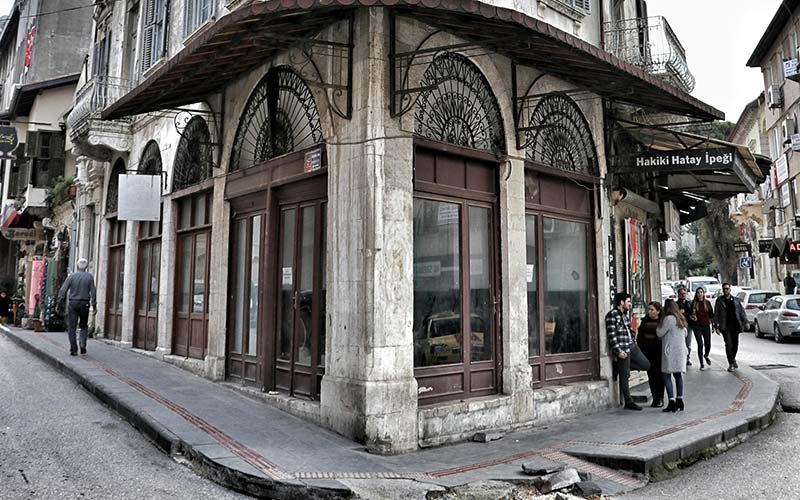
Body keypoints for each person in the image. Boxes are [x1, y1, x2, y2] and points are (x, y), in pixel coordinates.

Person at [606, 292, 650, 411]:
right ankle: (628, 401)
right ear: (621, 302)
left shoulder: (625, 315)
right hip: (623, 349)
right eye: (628, 301)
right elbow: (612, 336)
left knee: (646, 364)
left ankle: (620, 367)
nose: (630, 304)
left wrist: (633, 339)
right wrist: (618, 351)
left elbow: (629, 329)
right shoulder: (612, 315)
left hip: (632, 346)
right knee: (625, 376)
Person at [58, 258, 97, 356]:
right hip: (85, 303)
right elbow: (93, 292)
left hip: (73, 303)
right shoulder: (89, 277)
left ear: (77, 266)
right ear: (86, 267)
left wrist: (59, 303)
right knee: (83, 325)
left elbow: (63, 290)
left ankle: (73, 348)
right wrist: (94, 305)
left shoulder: (71, 276)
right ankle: (82, 342)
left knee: (72, 327)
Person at [657, 300, 689, 412]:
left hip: (670, 352)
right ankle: (680, 400)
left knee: (666, 376)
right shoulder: (681, 318)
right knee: (678, 375)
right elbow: (685, 333)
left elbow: (659, 333)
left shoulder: (668, 319)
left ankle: (671, 402)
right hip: (680, 352)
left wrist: (658, 326)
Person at [713, 282, 748, 372]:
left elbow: (741, 312)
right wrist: (716, 326)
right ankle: (731, 363)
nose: (725, 290)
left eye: (727, 289)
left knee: (735, 345)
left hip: (735, 325)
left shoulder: (736, 300)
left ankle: (733, 359)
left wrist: (746, 322)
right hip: (725, 326)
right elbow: (716, 314)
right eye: (724, 289)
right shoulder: (719, 301)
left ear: (730, 289)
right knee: (728, 345)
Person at [636, 301, 665, 407]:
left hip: (658, 352)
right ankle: (655, 398)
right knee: (651, 376)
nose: (649, 312)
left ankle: (660, 397)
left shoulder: (662, 322)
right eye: (648, 309)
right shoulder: (645, 321)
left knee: (660, 376)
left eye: (652, 310)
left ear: (658, 311)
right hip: (647, 352)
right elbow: (640, 335)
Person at [690, 287, 714, 370]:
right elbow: (690, 314)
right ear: (696, 294)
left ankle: (706, 355)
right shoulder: (694, 303)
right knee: (700, 344)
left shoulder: (707, 303)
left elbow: (711, 315)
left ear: (703, 294)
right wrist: (693, 317)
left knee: (708, 344)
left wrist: (713, 326)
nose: (700, 294)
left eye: (701, 292)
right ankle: (701, 363)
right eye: (698, 292)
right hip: (697, 326)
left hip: (706, 325)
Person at [676, 287, 693, 367]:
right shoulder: (676, 305)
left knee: (688, 343)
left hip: (688, 326)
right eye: (681, 294)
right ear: (678, 295)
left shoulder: (689, 303)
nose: (683, 295)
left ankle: (687, 358)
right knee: (680, 343)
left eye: (684, 294)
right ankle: (681, 358)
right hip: (680, 326)